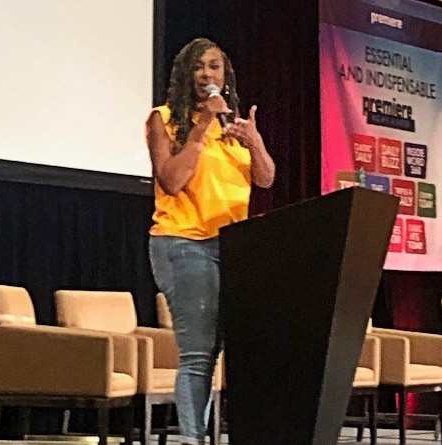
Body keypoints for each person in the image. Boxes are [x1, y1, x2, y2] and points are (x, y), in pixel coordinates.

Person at [146, 37, 275, 445]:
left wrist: (254, 142)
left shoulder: (234, 128)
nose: (206, 74)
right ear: (186, 75)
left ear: (225, 75)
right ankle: (193, 439)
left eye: (214, 66)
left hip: (233, 247)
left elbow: (266, 178)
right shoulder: (164, 119)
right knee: (199, 352)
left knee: (219, 350)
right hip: (183, 242)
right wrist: (201, 127)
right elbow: (171, 180)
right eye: (199, 67)